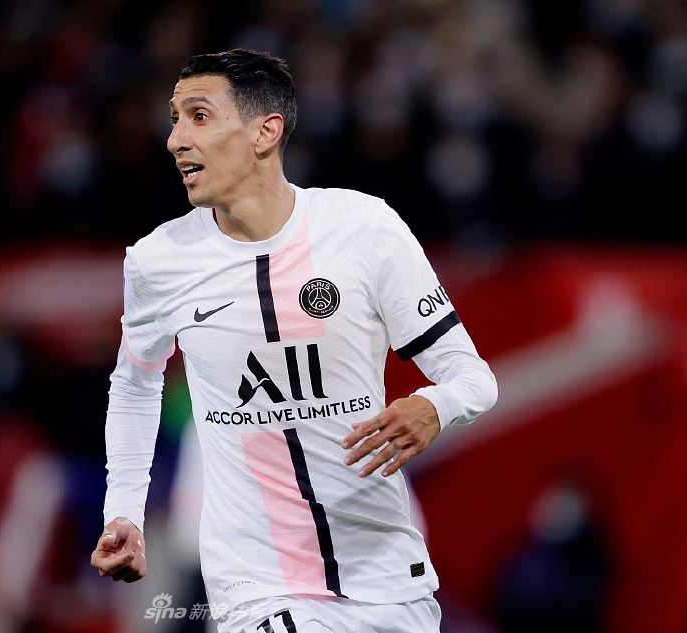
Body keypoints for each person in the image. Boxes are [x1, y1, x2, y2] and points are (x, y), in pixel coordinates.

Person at [90, 49, 497, 633]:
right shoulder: (159, 262)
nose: (176, 139)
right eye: (174, 119)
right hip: (259, 587)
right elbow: (134, 384)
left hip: (390, 581)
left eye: (198, 116)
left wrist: (435, 404)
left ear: (265, 131)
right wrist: (124, 511)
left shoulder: (365, 229)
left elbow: (473, 377)